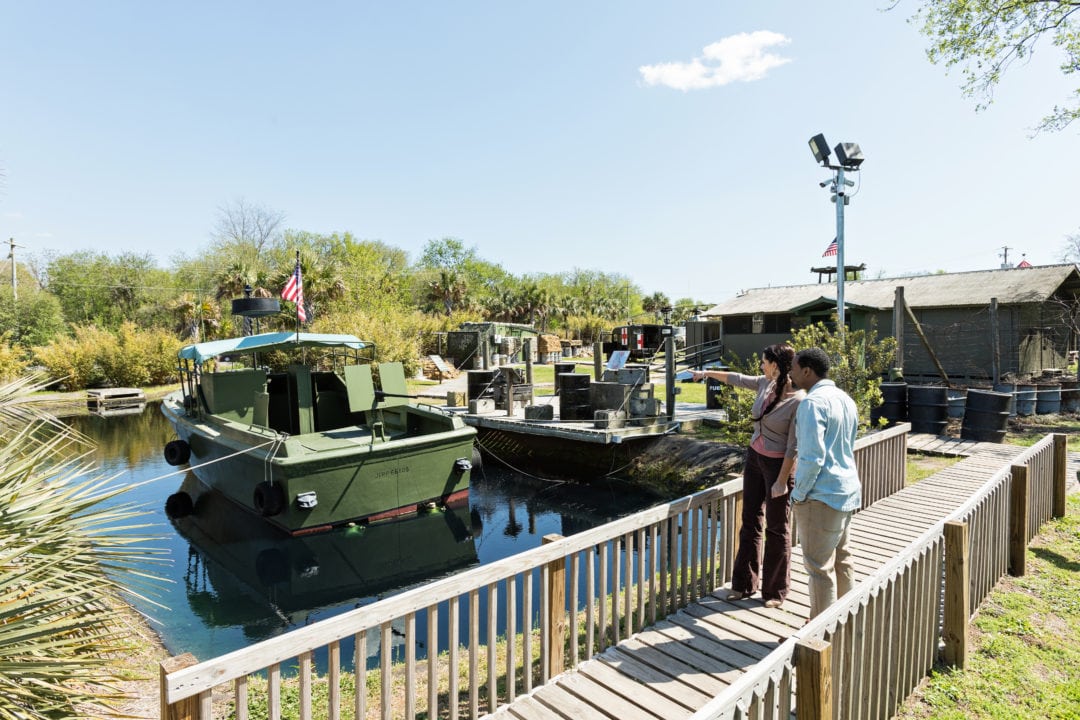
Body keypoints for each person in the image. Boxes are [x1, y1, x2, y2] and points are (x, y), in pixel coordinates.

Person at [691, 344, 803, 608]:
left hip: (779, 467)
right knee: (750, 521)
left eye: (764, 362)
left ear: (775, 364)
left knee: (777, 529)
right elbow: (735, 379)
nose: (761, 366)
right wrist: (706, 373)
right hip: (754, 459)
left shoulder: (798, 400)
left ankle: (775, 591)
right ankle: (743, 584)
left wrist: (780, 481)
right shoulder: (765, 384)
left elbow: (793, 446)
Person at [789, 347, 862, 619]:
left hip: (820, 496)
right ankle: (845, 622)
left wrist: (798, 494)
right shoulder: (845, 399)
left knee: (818, 567)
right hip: (846, 490)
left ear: (807, 371)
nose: (791, 374)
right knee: (843, 559)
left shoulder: (811, 403)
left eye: (794, 369)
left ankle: (819, 637)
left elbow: (811, 457)